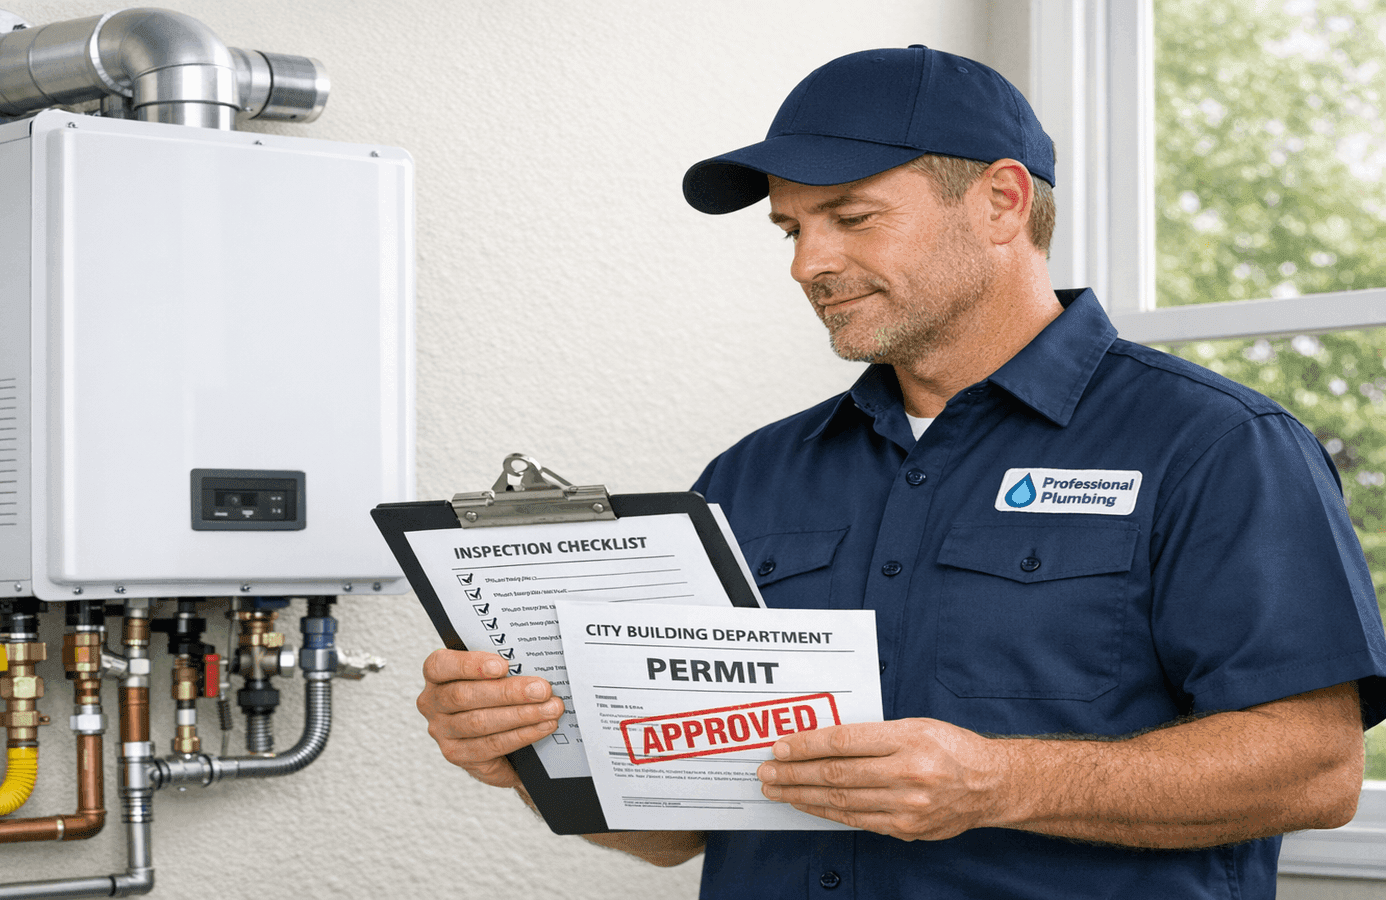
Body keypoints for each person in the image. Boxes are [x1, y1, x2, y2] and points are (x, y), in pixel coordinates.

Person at [416, 46, 1386, 898]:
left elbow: (1314, 770)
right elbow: (678, 829)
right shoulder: (749, 477)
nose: (808, 264)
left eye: (851, 217)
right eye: (792, 230)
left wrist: (997, 784)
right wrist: (532, 756)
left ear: (1001, 202)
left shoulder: (1215, 445)